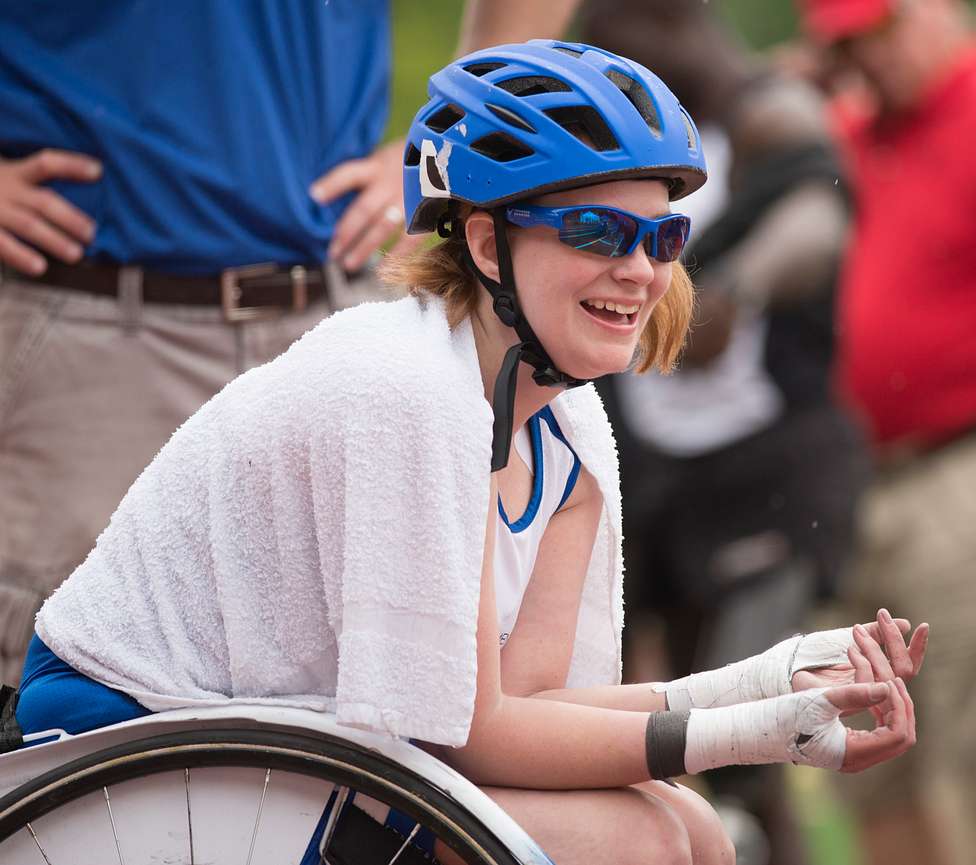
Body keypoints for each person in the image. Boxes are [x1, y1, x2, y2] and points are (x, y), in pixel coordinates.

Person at [5, 41, 925, 865]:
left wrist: (776, 679)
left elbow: (527, 711)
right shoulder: (402, 385)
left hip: (284, 748)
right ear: (486, 241)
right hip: (128, 746)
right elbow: (470, 741)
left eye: (663, 236)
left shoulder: (572, 425)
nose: (641, 270)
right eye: (600, 232)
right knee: (643, 839)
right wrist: (754, 729)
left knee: (693, 828)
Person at [0, 0, 583, 686]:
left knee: (389, 691)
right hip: (91, 329)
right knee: (63, 700)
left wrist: (452, 137)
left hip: (339, 316)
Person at [580, 2, 871, 862]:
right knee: (641, 731)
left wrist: (730, 289)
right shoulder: (605, 159)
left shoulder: (767, 114)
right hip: (650, 479)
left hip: (767, 469)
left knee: (753, 735)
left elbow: (818, 224)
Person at [794, 1, 976, 864]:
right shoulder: (848, 132)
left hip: (968, 470)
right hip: (853, 477)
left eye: (880, 33)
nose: (867, 58)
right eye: (847, 44)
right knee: (872, 755)